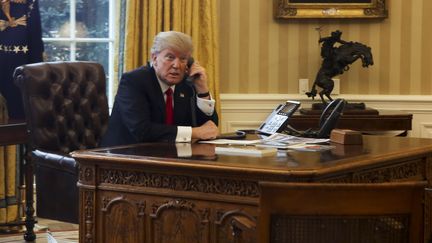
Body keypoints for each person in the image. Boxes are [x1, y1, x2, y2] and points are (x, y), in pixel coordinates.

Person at [100, 31, 219, 147]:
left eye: (183, 59)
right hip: (123, 157)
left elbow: (209, 128)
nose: (176, 65)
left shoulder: (186, 84)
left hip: (169, 156)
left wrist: (202, 89)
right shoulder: (134, 81)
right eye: (170, 57)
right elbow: (142, 130)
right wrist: (195, 132)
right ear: (154, 58)